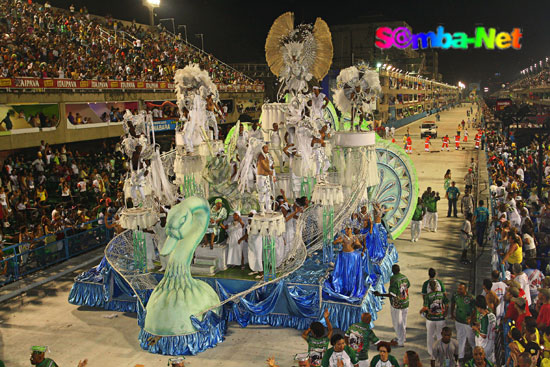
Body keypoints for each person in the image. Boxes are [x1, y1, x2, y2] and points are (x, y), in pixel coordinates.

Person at [374, 265, 410, 347]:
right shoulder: (404, 277)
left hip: (397, 305)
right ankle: (403, 337)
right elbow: (408, 285)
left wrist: (380, 294)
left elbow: (392, 294)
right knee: (403, 321)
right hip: (405, 302)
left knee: (398, 323)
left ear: (392, 271)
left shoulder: (393, 279)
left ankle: (400, 342)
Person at [421, 280, 449, 358]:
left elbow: (425, 307)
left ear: (429, 287)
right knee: (441, 335)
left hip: (430, 319)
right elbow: (447, 304)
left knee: (430, 336)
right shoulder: (442, 294)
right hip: (440, 318)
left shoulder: (428, 296)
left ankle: (431, 352)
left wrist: (425, 311)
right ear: (437, 286)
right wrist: (446, 313)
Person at [451, 283, 475, 364]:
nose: (459, 290)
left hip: (467, 323)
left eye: (460, 289)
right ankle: (461, 357)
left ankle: (475, 353)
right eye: (458, 288)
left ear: (465, 289)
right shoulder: (455, 295)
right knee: (460, 338)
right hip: (458, 321)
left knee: (471, 338)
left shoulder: (471, 298)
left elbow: (475, 309)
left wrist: (471, 318)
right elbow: (453, 303)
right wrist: (452, 313)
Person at [472, 296, 496, 363]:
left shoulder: (484, 318)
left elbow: (483, 335)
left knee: (482, 362)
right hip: (491, 343)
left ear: (479, 307)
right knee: (490, 362)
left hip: (484, 345)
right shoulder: (492, 315)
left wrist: (476, 329)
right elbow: (492, 327)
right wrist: (480, 325)